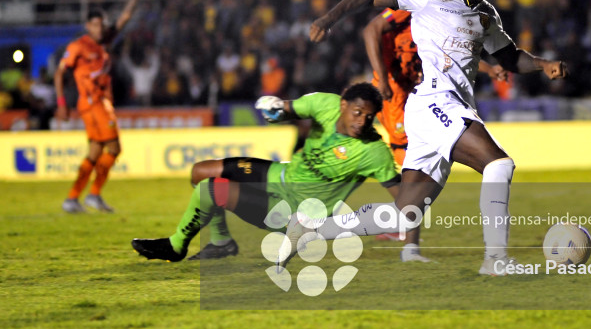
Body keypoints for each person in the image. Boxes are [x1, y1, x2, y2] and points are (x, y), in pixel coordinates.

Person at [290, 0, 567, 276]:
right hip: (435, 102)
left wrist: (542, 64)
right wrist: (328, 18)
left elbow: (509, 58)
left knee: (403, 214)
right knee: (498, 164)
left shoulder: (486, 14)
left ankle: (311, 229)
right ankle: (496, 260)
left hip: (444, 110)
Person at [131, 83, 429, 263]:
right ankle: (222, 242)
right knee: (200, 172)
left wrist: (411, 246)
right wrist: (275, 111)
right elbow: (285, 110)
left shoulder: (373, 152)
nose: (362, 121)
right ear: (342, 105)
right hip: (279, 174)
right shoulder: (324, 104)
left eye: (369, 116)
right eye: (357, 112)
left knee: (211, 189)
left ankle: (175, 246)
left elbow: (406, 200)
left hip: (293, 212)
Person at [364, 0, 505, 167]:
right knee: (405, 147)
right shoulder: (411, 3)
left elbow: (455, 53)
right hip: (396, 85)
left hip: (422, 86)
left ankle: (406, 198)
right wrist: (382, 78)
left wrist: (489, 69)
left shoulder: (448, 7)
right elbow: (372, 29)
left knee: (426, 152)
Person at [55, 0, 149, 213]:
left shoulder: (105, 41)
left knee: (95, 152)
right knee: (115, 148)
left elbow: (125, 18)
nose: (99, 28)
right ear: (87, 25)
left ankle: (72, 198)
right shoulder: (78, 46)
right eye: (95, 25)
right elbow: (59, 73)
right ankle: (94, 194)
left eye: (102, 24)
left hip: (99, 103)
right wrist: (62, 103)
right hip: (94, 103)